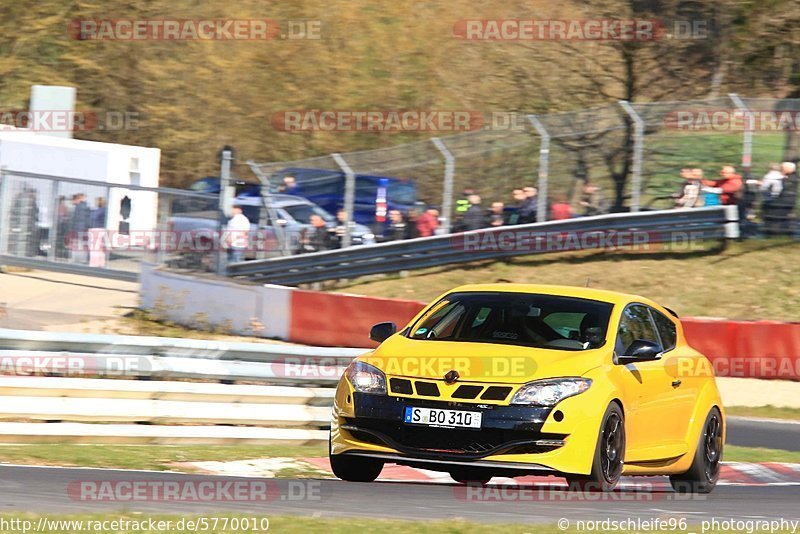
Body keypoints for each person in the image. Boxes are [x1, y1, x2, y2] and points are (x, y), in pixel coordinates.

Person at [69, 193, 91, 264]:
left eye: (73, 200)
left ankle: (78, 260)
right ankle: (80, 259)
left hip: (79, 230)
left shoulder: (80, 207)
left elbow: (79, 220)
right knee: (81, 245)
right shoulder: (82, 207)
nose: (72, 202)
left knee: (79, 244)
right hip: (80, 229)